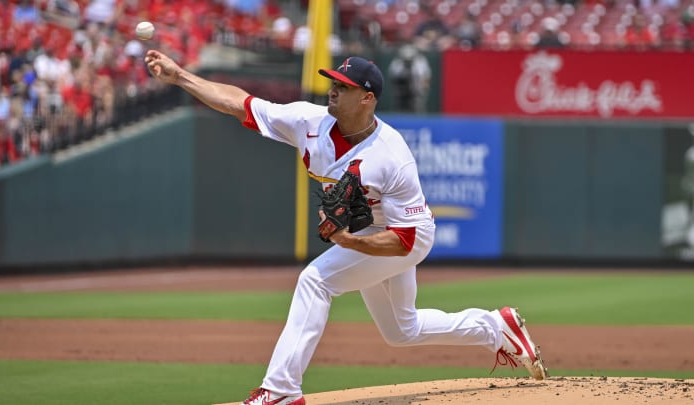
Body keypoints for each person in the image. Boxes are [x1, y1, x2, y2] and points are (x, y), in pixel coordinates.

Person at [144, 50, 548, 405]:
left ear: (367, 98)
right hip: (373, 235)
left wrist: (347, 240)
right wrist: (180, 76)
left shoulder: (391, 157)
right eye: (333, 82)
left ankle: (281, 389)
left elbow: (403, 241)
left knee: (315, 281)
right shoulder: (309, 121)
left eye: (344, 85)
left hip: (405, 237)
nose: (333, 89)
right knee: (401, 330)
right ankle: (496, 327)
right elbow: (241, 104)